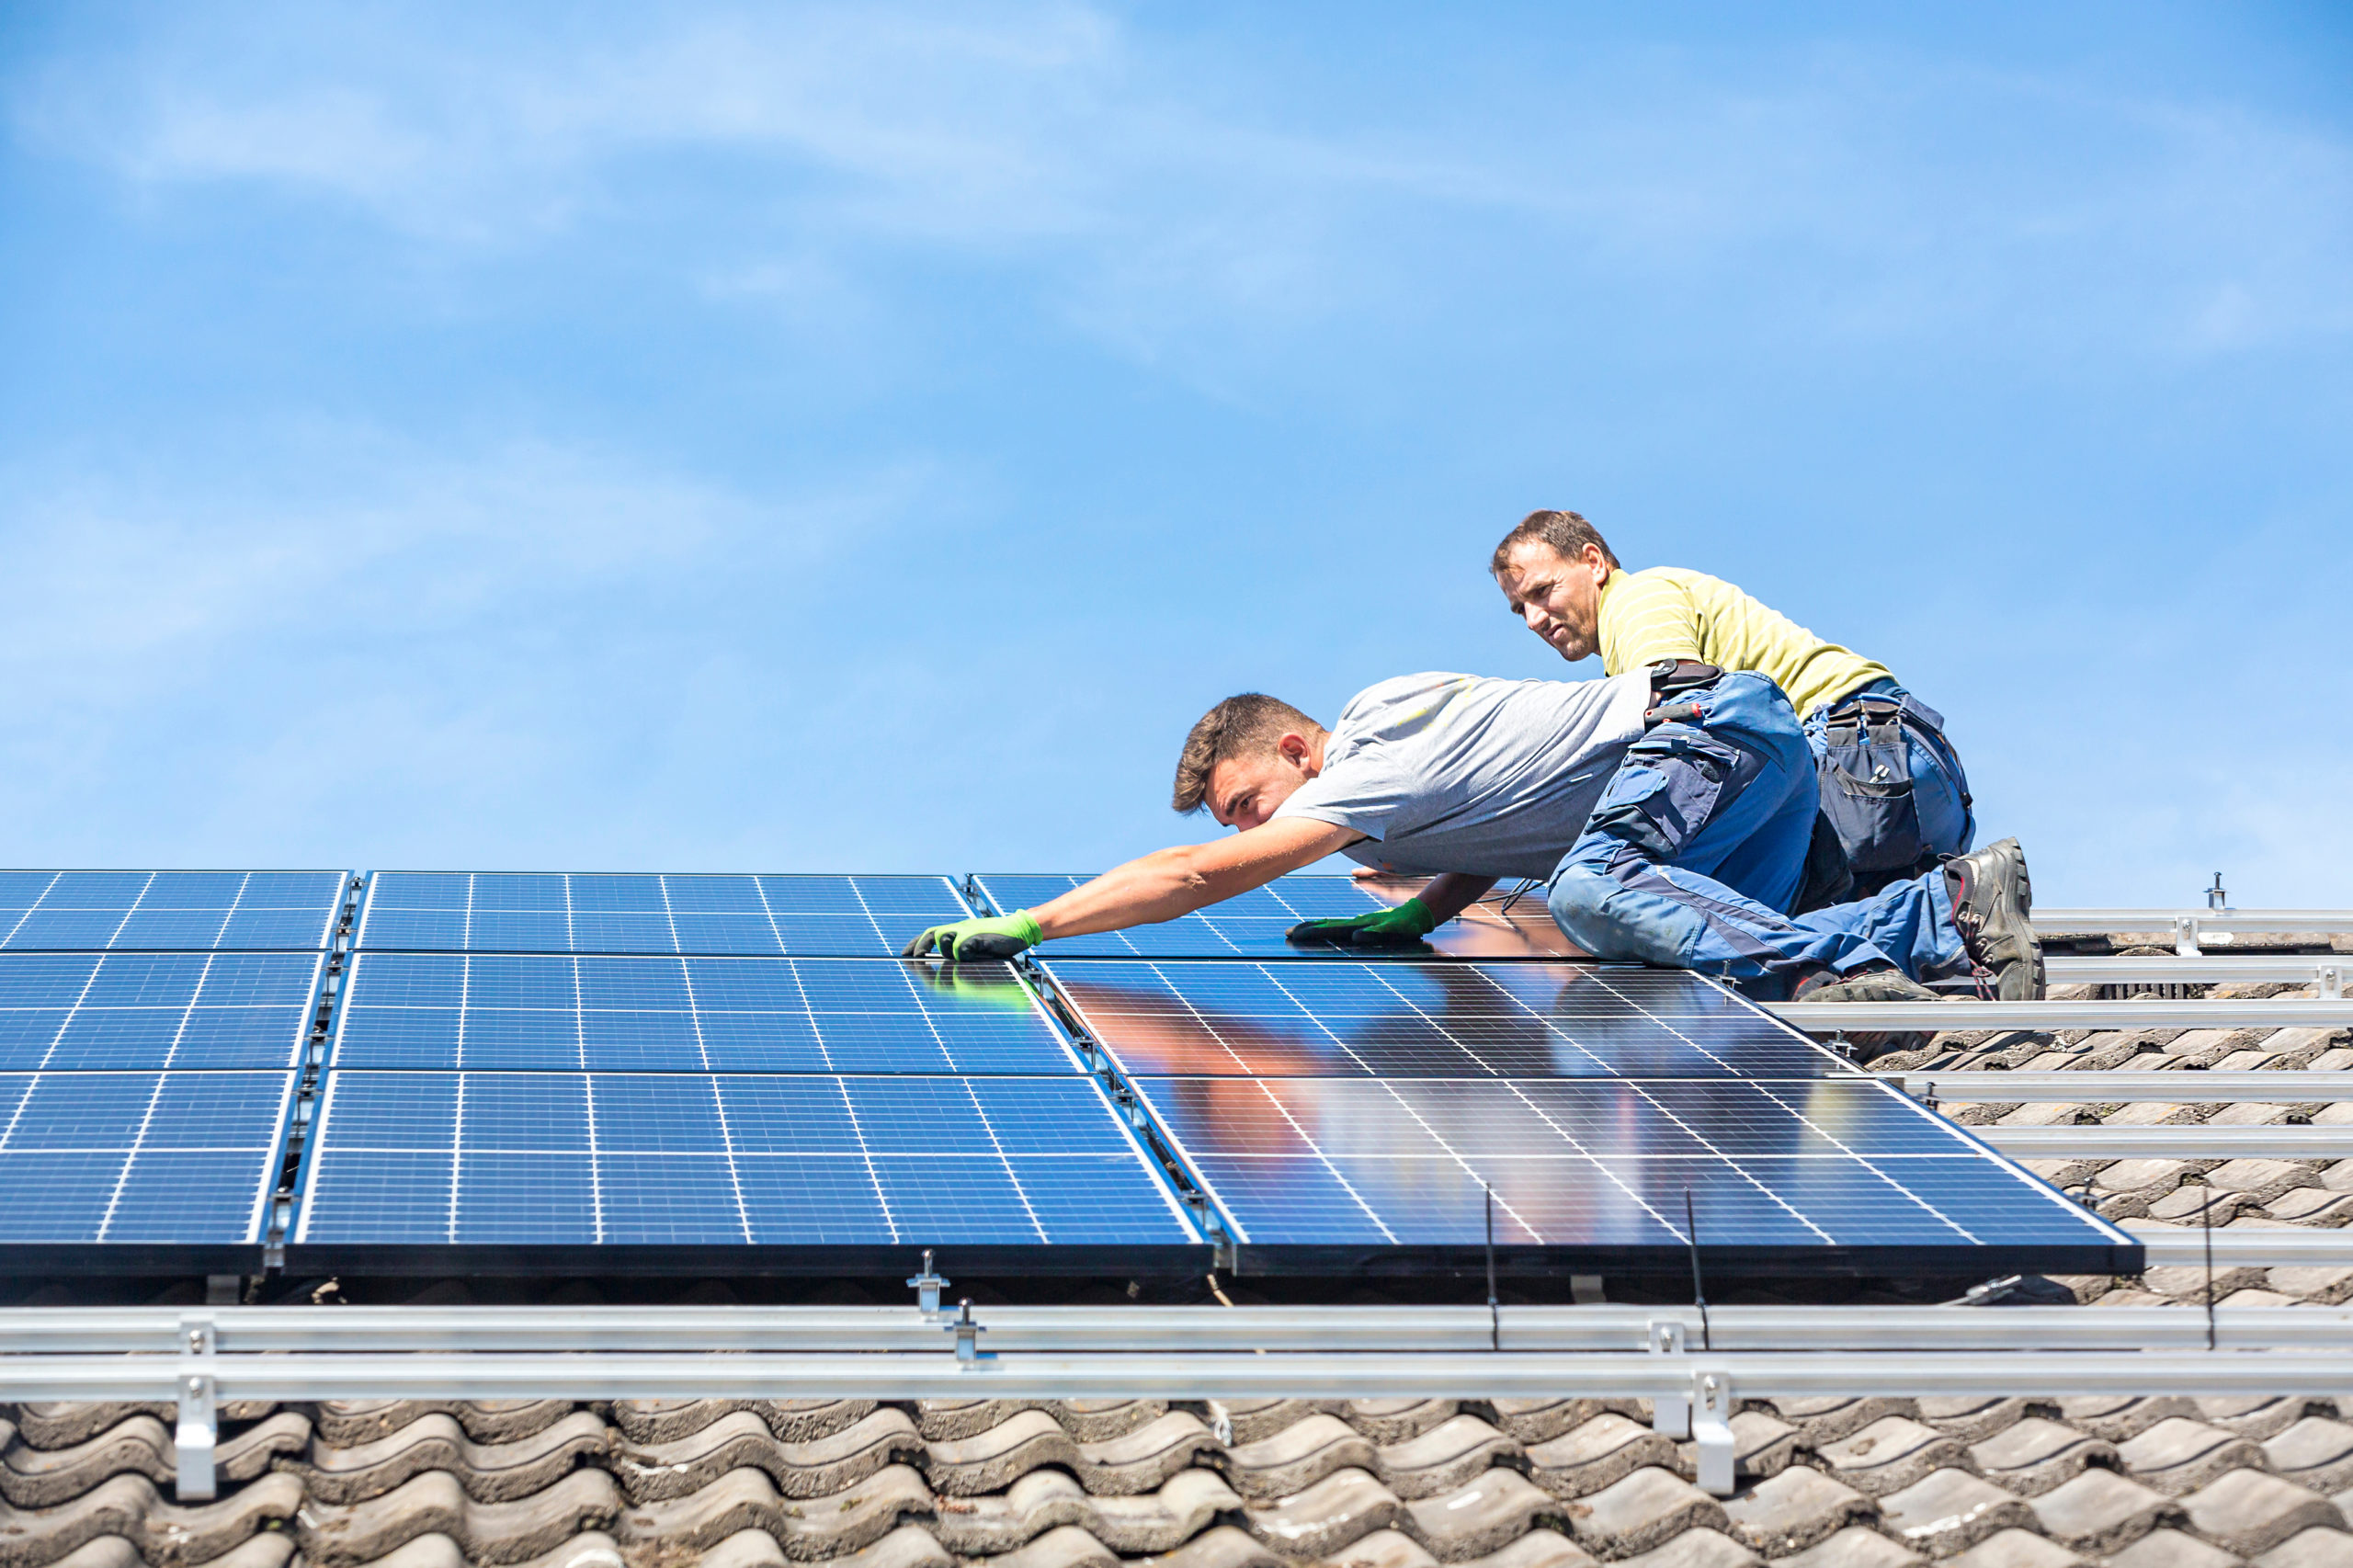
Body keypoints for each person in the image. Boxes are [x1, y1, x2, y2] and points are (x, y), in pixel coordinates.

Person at [902, 664, 2042, 1009]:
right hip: (1723, 768)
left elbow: (1200, 874)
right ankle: (1955, 923)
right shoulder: (1405, 759)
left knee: (1594, 895)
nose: (1262, 830)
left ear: (1300, 751)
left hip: (1705, 733)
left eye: (1253, 799)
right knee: (1685, 968)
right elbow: (1507, 816)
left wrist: (1038, 923)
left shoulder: (1368, 751)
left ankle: (1926, 915)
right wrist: (1417, 913)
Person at [1490, 509, 1975, 903]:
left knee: (1672, 893)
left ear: (1594, 562)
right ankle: (1961, 906)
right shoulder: (1640, 623)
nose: (1533, 619)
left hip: (1859, 757)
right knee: (1849, 945)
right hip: (1919, 782)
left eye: (1542, 591)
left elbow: (1678, 721)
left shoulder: (1635, 601)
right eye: (1519, 609)